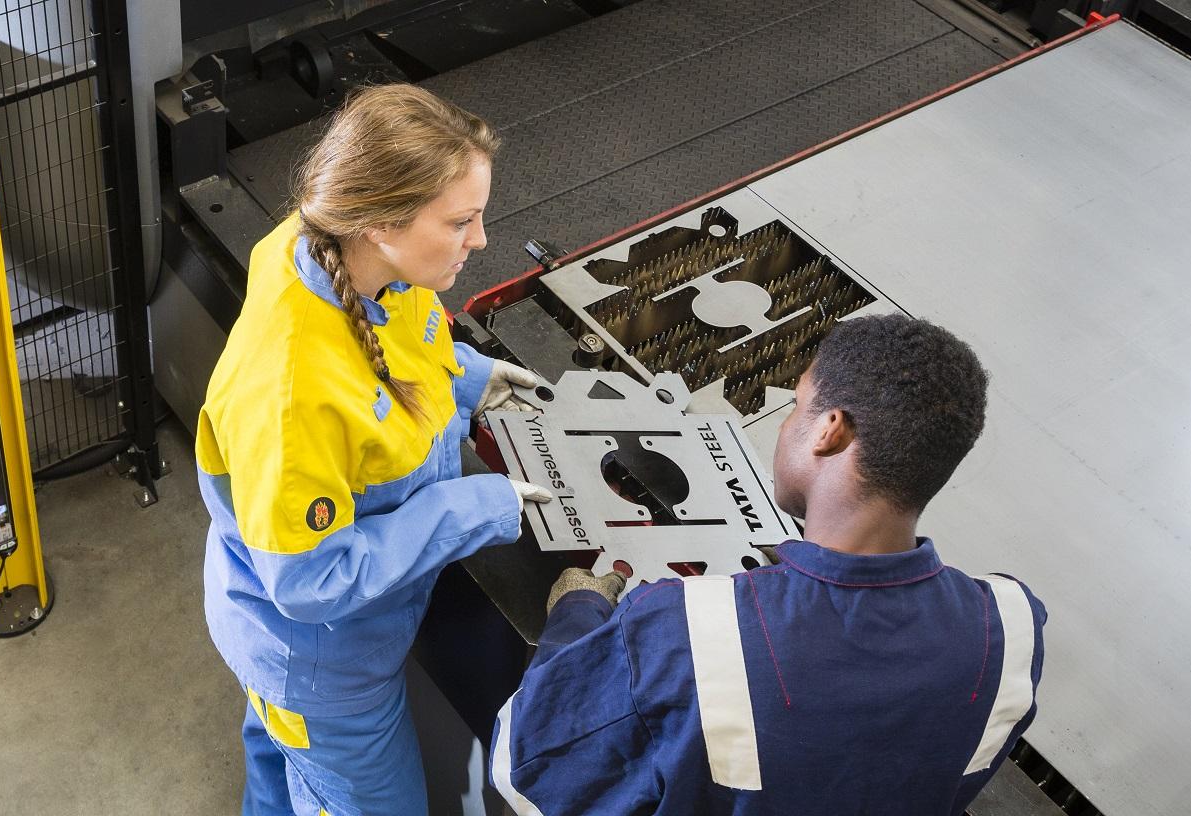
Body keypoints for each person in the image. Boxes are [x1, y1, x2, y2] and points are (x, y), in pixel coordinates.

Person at [490, 314, 1047, 814]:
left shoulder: (684, 627)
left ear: (830, 430)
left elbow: (524, 770)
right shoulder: (1014, 624)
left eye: (798, 406)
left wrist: (576, 612)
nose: (786, 426)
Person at [196, 84, 552, 816]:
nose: (479, 239)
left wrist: (469, 379)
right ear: (382, 222)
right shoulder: (292, 391)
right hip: (321, 666)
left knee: (278, 753)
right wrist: (474, 505)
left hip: (293, 642)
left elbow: (392, 345)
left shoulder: (334, 246)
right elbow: (311, 581)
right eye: (460, 221)